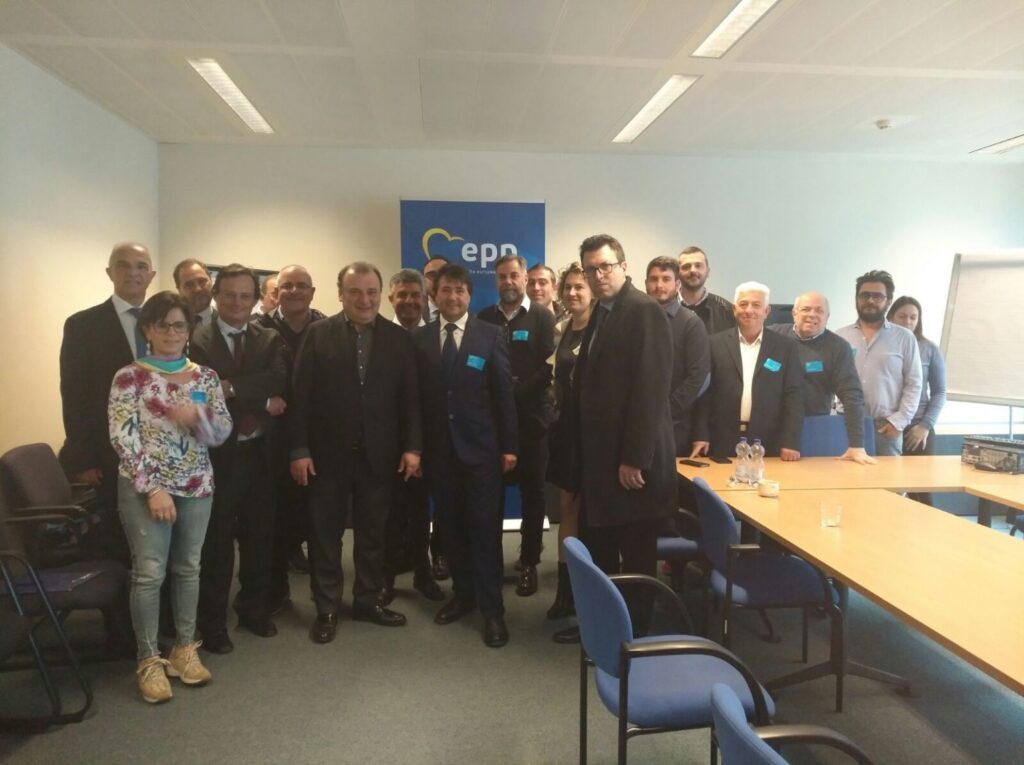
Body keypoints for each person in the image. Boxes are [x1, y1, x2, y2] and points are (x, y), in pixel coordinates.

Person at [107, 290, 232, 704]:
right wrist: (154, 489)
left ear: (189, 329)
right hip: (146, 489)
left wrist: (200, 418)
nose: (172, 333)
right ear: (148, 329)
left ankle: (184, 649)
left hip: (197, 486)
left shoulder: (205, 377)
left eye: (180, 325)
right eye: (163, 325)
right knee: (149, 573)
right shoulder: (130, 376)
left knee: (189, 568)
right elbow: (123, 438)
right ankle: (148, 659)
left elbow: (222, 432)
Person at [291, 262, 421, 643]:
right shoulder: (318, 334)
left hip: (380, 455)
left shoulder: (398, 339)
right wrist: (298, 449)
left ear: (381, 295)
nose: (364, 300)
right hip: (326, 455)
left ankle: (367, 600)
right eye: (355, 292)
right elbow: (300, 396)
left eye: (371, 292)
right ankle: (327, 607)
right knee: (325, 535)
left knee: (373, 534)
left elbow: (410, 399)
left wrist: (413, 447)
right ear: (340, 294)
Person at [572, 234, 676, 626]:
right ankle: (608, 627)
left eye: (606, 266)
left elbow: (651, 390)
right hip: (603, 459)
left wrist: (634, 458)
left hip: (631, 465)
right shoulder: (603, 311)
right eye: (591, 269)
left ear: (623, 266)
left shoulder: (643, 311)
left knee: (635, 554)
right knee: (603, 547)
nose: (599, 275)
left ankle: (637, 635)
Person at [412, 264, 518, 648]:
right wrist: (416, 448)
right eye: (446, 290)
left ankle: (493, 610)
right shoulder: (419, 339)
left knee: (485, 530)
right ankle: (464, 594)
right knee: (451, 529)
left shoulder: (489, 335)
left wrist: (509, 447)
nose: (453, 297)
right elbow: (414, 402)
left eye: (460, 290)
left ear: (469, 295)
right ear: (434, 295)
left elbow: (503, 394)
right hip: (440, 454)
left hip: (482, 452)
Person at [189, 264, 289, 653]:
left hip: (261, 453)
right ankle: (213, 624)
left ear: (256, 298)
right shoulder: (197, 339)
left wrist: (231, 387)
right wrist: (261, 399)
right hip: (218, 457)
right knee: (216, 545)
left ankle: (253, 610)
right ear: (216, 296)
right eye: (230, 294)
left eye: (245, 295)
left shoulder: (269, 336)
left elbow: (278, 380)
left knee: (259, 538)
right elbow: (203, 391)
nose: (237, 302)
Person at [61, 242, 157, 566]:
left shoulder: (166, 322)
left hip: (161, 451)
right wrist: (83, 458)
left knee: (160, 538)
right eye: (123, 265)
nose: (133, 273)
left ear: (151, 275)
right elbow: (73, 394)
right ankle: (122, 602)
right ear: (109, 272)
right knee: (119, 539)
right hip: (108, 453)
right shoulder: (83, 325)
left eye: (141, 266)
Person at [478, 254, 555, 597]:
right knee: (490, 495)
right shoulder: (484, 317)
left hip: (532, 424)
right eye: (501, 276)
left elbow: (549, 366)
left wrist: (514, 392)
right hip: (493, 427)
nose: (508, 282)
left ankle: (528, 562)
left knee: (533, 495)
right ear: (495, 280)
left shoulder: (542, 317)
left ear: (525, 278)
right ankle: (490, 561)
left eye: (513, 275)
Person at [253, 264, 327, 613]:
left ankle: (324, 597)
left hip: (320, 437)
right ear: (275, 292)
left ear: (313, 292)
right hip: (273, 438)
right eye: (287, 286)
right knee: (274, 520)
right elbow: (253, 378)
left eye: (302, 285)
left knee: (317, 519)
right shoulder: (259, 329)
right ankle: (275, 592)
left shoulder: (328, 328)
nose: (295, 291)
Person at [380, 269, 444, 603]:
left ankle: (423, 573)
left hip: (427, 442)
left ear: (425, 298)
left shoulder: (434, 336)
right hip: (386, 442)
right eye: (402, 295)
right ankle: (386, 579)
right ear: (391, 298)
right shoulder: (379, 334)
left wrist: (418, 445)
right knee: (389, 515)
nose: (408, 301)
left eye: (415, 295)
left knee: (421, 513)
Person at [692, 282, 803, 460]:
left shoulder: (786, 348)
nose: (749, 310)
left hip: (768, 442)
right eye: (743, 304)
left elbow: (794, 396)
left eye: (756, 305)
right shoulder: (714, 344)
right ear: (734, 309)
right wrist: (701, 435)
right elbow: (704, 394)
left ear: (766, 311)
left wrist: (791, 442)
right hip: (721, 440)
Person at [768, 292, 875, 465]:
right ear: (794, 313)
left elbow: (852, 395)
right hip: (771, 427)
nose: (812, 315)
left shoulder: (838, 347)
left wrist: (856, 445)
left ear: (827, 317)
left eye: (819, 311)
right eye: (806, 309)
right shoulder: (773, 335)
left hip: (812, 428)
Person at [544, 263, 592, 628]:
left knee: (594, 518)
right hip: (565, 434)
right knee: (567, 511)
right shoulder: (562, 329)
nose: (573, 293)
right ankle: (566, 592)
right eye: (568, 287)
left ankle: (591, 596)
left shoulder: (602, 330)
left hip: (594, 435)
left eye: (580, 287)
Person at [836, 271, 922, 457]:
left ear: (889, 302)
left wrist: (899, 421)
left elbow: (914, 384)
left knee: (888, 477)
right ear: (856, 299)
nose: (870, 300)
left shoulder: (904, 338)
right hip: (845, 424)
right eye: (865, 295)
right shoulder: (840, 336)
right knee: (844, 475)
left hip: (886, 428)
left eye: (877, 296)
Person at [645, 256, 710, 457]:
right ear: (646, 283)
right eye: (654, 279)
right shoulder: (636, 319)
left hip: (674, 426)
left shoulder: (691, 323)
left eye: (666, 279)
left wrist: (664, 410)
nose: (659, 285)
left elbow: (697, 378)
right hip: (637, 422)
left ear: (678, 284)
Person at [888, 296, 947, 503]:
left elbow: (940, 392)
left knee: (920, 492)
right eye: (902, 316)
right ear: (891, 317)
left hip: (917, 429)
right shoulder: (883, 346)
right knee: (887, 489)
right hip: (887, 426)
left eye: (913, 317)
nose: (908, 321)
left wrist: (925, 426)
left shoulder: (929, 349)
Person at [677, 246, 736, 335]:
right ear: (677, 273)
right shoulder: (663, 308)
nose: (693, 270)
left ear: (708, 272)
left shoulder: (727, 310)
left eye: (698, 266)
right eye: (686, 266)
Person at [173, 259, 215, 326]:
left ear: (211, 281)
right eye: (189, 284)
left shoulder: (228, 321)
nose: (198, 289)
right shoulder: (170, 323)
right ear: (179, 289)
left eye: (202, 281)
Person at [421, 255, 448, 324]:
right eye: (431, 275)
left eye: (443, 274)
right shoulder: (413, 313)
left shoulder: (463, 315)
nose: (437, 279)